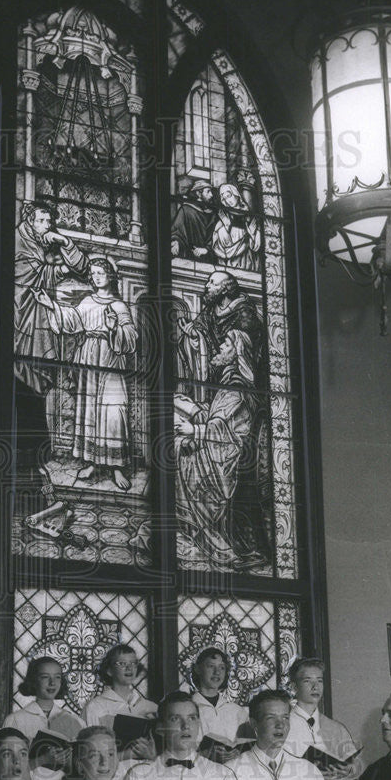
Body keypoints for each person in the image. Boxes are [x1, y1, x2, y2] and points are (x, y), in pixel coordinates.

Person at [40, 257, 137, 491]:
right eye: (92, 274)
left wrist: (115, 329)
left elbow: (131, 338)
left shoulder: (119, 306)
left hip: (111, 359)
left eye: (99, 273)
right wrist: (51, 305)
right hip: (88, 359)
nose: (95, 277)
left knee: (114, 410)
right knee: (90, 411)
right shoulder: (87, 301)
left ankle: (116, 466)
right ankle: (93, 462)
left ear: (110, 277)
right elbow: (72, 321)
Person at [174, 328, 267, 571]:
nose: (219, 348)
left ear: (236, 353)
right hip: (217, 451)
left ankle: (205, 536)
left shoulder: (238, 388)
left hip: (226, 461)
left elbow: (222, 429)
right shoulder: (229, 384)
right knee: (177, 443)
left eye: (225, 345)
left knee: (179, 451)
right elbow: (216, 416)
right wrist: (193, 409)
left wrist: (194, 430)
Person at [14, 201, 89, 472]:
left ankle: (37, 450)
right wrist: (57, 271)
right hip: (19, 322)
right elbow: (22, 277)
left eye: (49, 222)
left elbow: (82, 266)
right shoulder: (18, 240)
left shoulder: (43, 243)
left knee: (36, 384)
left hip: (40, 319)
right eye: (42, 221)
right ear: (29, 221)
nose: (47, 226)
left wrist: (64, 240)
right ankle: (27, 451)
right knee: (21, 382)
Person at [4, 657, 85, 780]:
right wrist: (43, 760)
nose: (52, 683)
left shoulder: (75, 721)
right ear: (34, 681)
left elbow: (85, 769)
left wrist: (70, 762)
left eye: (57, 677)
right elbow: (5, 768)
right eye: (45, 677)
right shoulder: (15, 720)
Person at [283, 657, 362, 780]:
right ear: (294, 686)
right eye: (308, 681)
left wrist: (349, 770)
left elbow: (355, 766)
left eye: (319, 681)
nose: (315, 687)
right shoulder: (283, 725)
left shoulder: (336, 728)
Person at [82, 645, 157, 767]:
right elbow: (89, 754)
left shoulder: (151, 707)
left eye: (133, 663)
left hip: (146, 774)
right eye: (122, 663)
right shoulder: (95, 707)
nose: (129, 668)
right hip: (113, 776)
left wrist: (152, 755)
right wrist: (128, 754)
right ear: (109, 670)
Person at [188, 647, 250, 752]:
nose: (217, 672)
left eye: (221, 668)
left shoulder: (237, 711)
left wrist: (235, 753)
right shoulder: (188, 708)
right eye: (211, 666)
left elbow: (248, 747)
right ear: (198, 669)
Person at [212, 183, 261, 271]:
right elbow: (216, 237)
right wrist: (226, 226)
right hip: (226, 257)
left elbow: (256, 242)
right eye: (224, 198)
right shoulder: (223, 216)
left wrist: (252, 234)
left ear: (236, 194)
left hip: (245, 256)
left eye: (229, 196)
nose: (227, 200)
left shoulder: (249, 215)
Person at [170, 179, 216, 261]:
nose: (212, 195)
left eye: (211, 192)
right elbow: (177, 232)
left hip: (208, 259)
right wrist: (176, 243)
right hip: (188, 258)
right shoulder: (186, 210)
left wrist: (206, 249)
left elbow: (216, 237)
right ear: (198, 193)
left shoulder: (213, 215)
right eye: (208, 192)